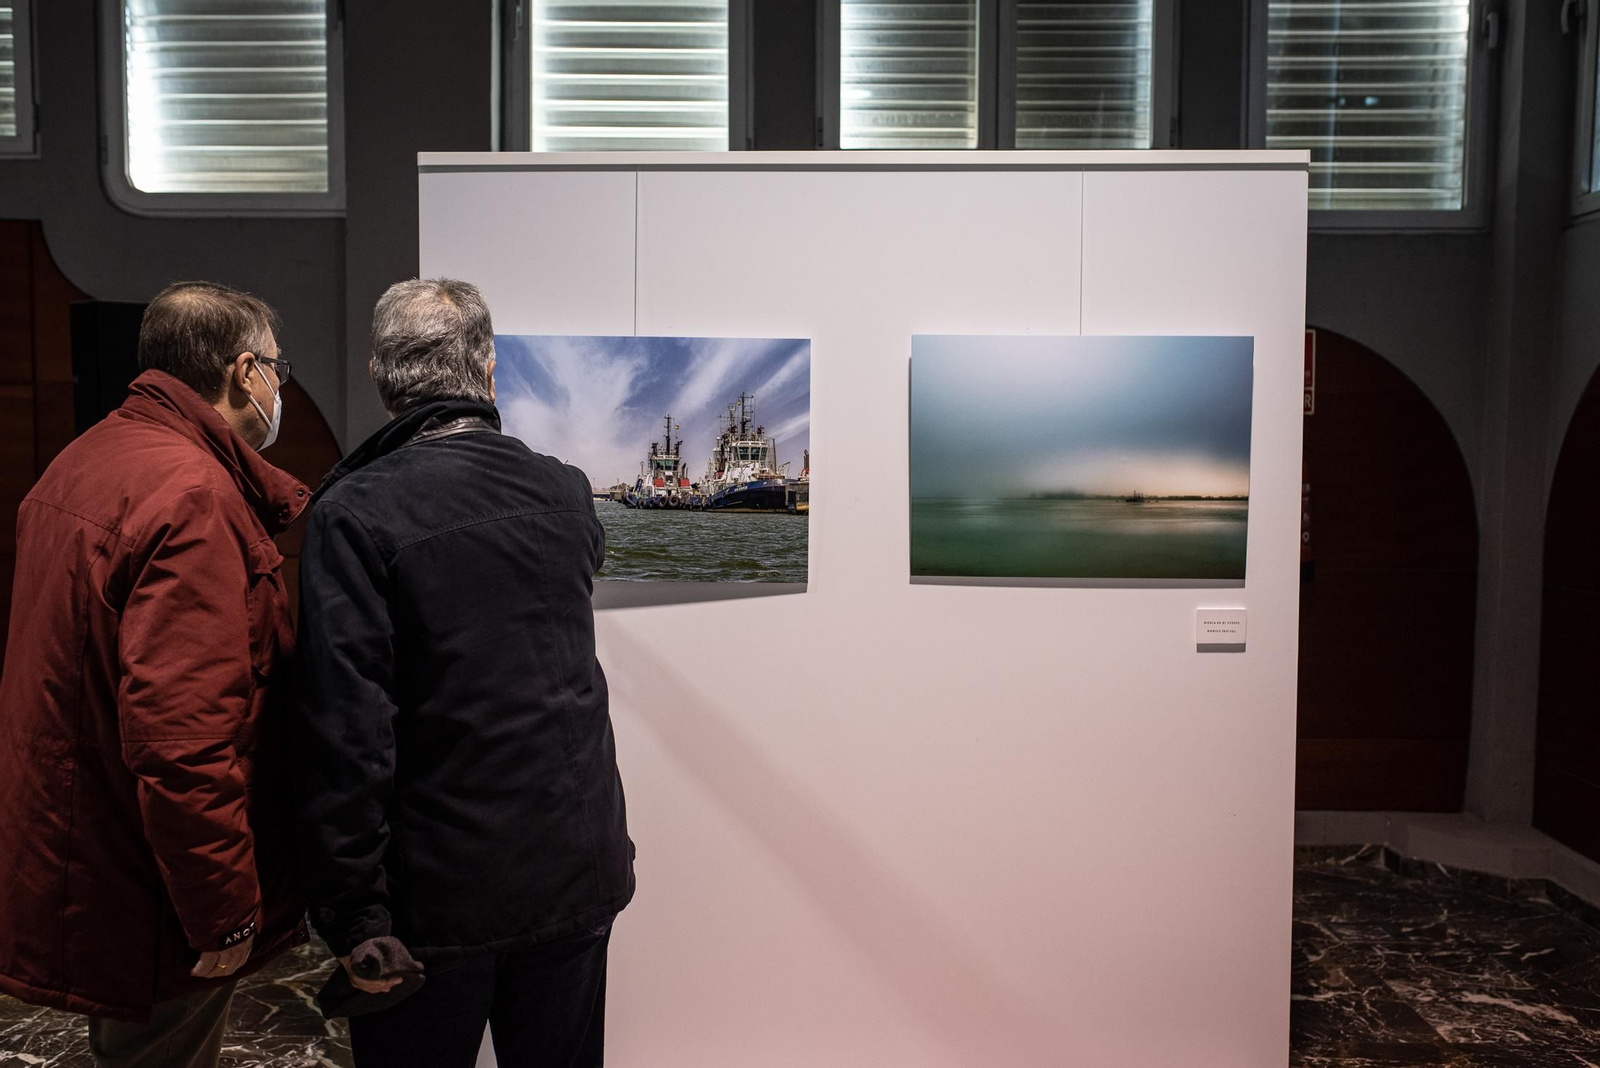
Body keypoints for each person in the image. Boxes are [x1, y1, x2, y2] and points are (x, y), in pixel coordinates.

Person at [294, 278, 634, 1067]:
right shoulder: (565, 491)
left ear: (383, 377)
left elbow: (347, 731)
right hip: (576, 872)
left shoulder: (355, 512)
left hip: (436, 900)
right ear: (487, 371)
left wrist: (354, 917)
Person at [0, 281, 310, 1066]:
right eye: (279, 366)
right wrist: (226, 913)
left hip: (92, 848)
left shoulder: (88, 457)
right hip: (155, 886)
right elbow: (183, 740)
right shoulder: (194, 495)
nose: (283, 384)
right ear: (246, 372)